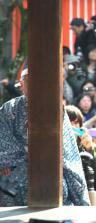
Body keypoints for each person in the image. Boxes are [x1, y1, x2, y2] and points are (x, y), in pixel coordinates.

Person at [0, 64, 89, 206]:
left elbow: (66, 147)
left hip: (50, 166)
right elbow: (4, 139)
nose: (35, 85)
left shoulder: (55, 107)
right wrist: (7, 161)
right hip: (17, 169)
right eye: (29, 80)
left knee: (58, 188)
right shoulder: (9, 109)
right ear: (22, 84)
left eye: (38, 81)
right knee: (7, 190)